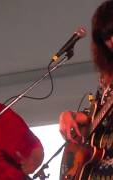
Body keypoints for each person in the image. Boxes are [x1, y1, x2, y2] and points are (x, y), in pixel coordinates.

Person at [59, 0, 113, 179]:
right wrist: (77, 118)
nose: (112, 41)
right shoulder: (106, 77)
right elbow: (101, 114)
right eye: (106, 37)